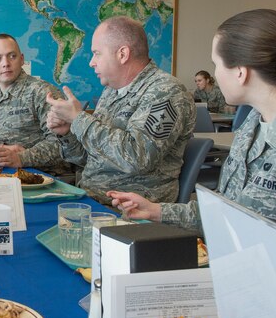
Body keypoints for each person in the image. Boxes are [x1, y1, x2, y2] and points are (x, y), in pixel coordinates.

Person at [109, 9, 276, 295]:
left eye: (216, 64)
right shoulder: (253, 125)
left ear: (241, 72)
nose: (214, 73)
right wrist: (156, 211)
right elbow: (229, 213)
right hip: (240, 281)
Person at [46, 16, 195, 204]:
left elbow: (138, 158)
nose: (91, 62)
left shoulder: (167, 92)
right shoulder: (111, 92)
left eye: (97, 53)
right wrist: (67, 133)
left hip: (129, 212)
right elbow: (88, 158)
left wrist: (79, 120)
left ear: (122, 54)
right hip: (92, 199)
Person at [0, 34, 71, 177]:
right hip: (2, 173)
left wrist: (21, 158)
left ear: (22, 59)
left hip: (42, 177)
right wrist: (2, 148)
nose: (5, 63)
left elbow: (61, 144)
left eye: (12, 56)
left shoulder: (42, 92)